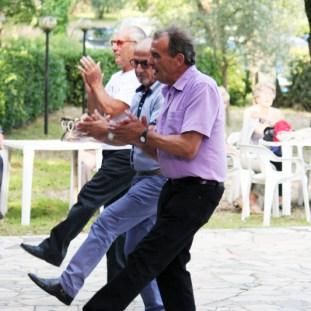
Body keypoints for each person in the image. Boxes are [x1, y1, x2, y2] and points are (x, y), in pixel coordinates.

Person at [80, 26, 225, 311]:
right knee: (171, 267)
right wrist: (107, 132)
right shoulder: (169, 91)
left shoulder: (201, 88)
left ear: (179, 59)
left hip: (198, 192)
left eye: (156, 56)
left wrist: (142, 135)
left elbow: (188, 146)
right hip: (174, 188)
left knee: (144, 258)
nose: (150, 62)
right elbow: (154, 146)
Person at [28, 38, 165, 311]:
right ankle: (157, 305)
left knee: (105, 222)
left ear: (158, 63)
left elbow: (148, 139)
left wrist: (107, 117)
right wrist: (99, 129)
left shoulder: (163, 95)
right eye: (136, 63)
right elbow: (121, 132)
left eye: (145, 64)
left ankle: (67, 284)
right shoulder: (140, 93)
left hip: (156, 178)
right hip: (140, 173)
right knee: (134, 250)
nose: (138, 68)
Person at [239, 81, 284, 212]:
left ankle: (248, 197)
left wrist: (270, 124)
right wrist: (272, 124)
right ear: (256, 97)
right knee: (272, 162)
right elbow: (261, 132)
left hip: (269, 153)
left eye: (271, 94)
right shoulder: (250, 112)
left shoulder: (277, 113)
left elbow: (282, 132)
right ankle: (252, 197)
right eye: (264, 94)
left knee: (278, 158)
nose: (268, 97)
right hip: (249, 154)